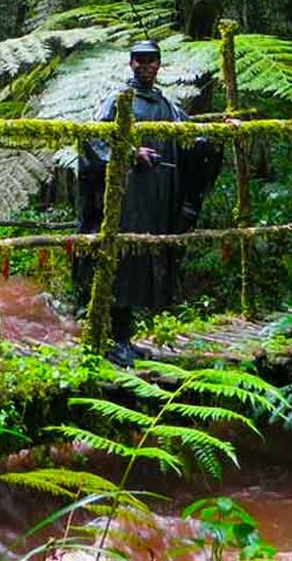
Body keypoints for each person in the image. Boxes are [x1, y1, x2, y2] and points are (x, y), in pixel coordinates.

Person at [76, 39, 220, 366]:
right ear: (131, 63)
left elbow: (190, 136)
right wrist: (130, 153)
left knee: (142, 265)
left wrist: (217, 134)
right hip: (125, 201)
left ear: (158, 65)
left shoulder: (165, 106)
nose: (145, 65)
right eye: (139, 60)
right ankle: (112, 340)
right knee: (121, 262)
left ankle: (125, 339)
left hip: (154, 200)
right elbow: (93, 138)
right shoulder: (116, 101)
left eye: (151, 60)